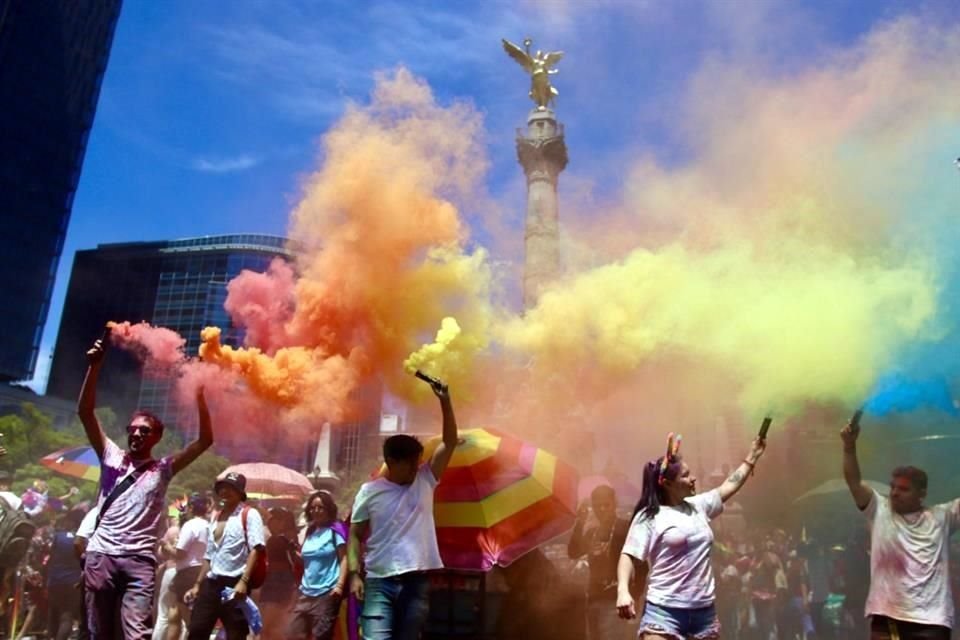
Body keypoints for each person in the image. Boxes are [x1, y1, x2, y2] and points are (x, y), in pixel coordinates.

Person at [78, 332, 214, 640]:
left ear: (156, 437)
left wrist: (201, 397)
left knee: (137, 633)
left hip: (139, 562)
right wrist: (94, 367)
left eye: (145, 431)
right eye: (133, 430)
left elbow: (205, 440)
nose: (137, 434)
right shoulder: (111, 456)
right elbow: (85, 413)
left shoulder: (163, 469)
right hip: (101, 556)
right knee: (97, 632)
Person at [616, 434, 767, 640]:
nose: (693, 478)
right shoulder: (650, 516)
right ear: (667, 483)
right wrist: (623, 591)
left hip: (703, 614)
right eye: (686, 475)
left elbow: (729, 485)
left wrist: (752, 457)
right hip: (663, 613)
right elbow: (629, 555)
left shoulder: (699, 506)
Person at [348, 376, 458, 640]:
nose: (414, 468)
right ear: (390, 461)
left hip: (415, 583)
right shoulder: (369, 491)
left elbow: (450, 441)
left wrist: (445, 401)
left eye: (416, 461)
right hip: (378, 583)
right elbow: (354, 534)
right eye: (408, 463)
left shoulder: (425, 479)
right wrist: (354, 574)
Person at [841, 415, 959, 640]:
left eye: (903, 489)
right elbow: (854, 481)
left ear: (921, 493)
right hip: (888, 618)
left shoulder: (943, 516)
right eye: (893, 487)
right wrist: (848, 447)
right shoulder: (880, 509)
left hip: (931, 621)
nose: (894, 493)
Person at [185, 472, 265, 640]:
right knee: (197, 630)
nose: (225, 492)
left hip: (235, 585)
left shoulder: (249, 514)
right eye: (222, 488)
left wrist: (243, 582)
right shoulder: (215, 516)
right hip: (211, 583)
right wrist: (197, 585)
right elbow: (209, 555)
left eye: (231, 489)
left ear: (240, 492)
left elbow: (256, 549)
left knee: (236, 634)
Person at [568, 484, 631, 639]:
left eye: (606, 505)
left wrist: (632, 595)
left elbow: (641, 564)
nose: (602, 509)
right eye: (597, 506)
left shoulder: (625, 528)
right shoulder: (592, 532)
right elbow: (573, 552)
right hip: (594, 600)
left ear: (614, 503)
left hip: (615, 603)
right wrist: (580, 521)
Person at [287, 490, 347, 640]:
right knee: (293, 634)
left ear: (329, 509)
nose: (316, 511)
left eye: (320, 507)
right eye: (313, 508)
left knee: (320, 637)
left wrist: (339, 586)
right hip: (305, 593)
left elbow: (344, 558)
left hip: (326, 594)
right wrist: (293, 552)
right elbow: (306, 561)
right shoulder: (310, 531)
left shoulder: (336, 531)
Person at [166, 494, 209, 639]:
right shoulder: (208, 525)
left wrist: (166, 547)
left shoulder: (191, 525)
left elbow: (180, 553)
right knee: (174, 615)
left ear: (191, 508)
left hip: (188, 574)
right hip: (199, 571)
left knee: (189, 620)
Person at [260, 506, 301, 638]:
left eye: (273, 519)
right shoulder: (278, 539)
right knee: (273, 625)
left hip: (279, 581)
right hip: (275, 581)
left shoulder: (279, 540)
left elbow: (293, 562)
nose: (269, 521)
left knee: (271, 625)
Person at [46, 509, 87, 640]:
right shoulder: (82, 540)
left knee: (53, 612)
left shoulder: (58, 537)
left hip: (55, 581)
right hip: (73, 582)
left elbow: (50, 557)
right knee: (66, 616)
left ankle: (51, 636)